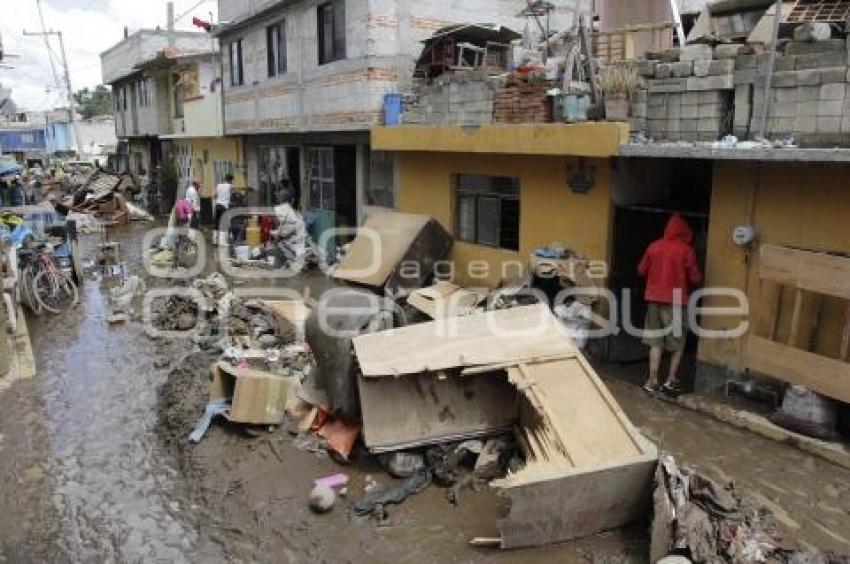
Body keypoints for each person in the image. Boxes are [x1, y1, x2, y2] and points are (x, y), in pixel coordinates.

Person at [637, 213, 702, 396]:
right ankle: (670, 381)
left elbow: (641, 270)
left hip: (653, 301)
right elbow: (695, 277)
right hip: (675, 302)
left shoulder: (654, 247)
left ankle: (652, 381)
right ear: (685, 232)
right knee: (678, 343)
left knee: (655, 342)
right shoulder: (686, 250)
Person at [213, 174, 233, 246]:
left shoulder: (218, 185)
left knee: (217, 224)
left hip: (217, 206)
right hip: (224, 207)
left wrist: (219, 198)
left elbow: (215, 195)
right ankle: (222, 242)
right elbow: (233, 194)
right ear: (230, 180)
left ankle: (215, 241)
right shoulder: (230, 186)